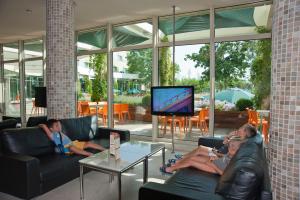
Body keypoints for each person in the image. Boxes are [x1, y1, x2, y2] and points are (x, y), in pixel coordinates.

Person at [165, 136, 245, 175]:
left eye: (234, 146)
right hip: (215, 161)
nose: (231, 147)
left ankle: (171, 168)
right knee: (193, 157)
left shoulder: (236, 160)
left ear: (240, 148)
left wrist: (212, 165)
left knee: (191, 161)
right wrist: (216, 155)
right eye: (230, 145)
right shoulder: (231, 152)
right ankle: (177, 164)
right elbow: (224, 157)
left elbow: (224, 174)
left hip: (215, 169)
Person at [177, 123, 256, 161]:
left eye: (242, 127)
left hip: (219, 156)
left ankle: (181, 159)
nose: (239, 128)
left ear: (245, 132)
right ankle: (182, 157)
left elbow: (228, 155)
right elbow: (224, 143)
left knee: (199, 151)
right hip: (218, 151)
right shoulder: (237, 137)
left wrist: (216, 153)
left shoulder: (240, 143)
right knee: (200, 148)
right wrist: (229, 135)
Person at [39, 119, 105, 156]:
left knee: (88, 143)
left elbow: (59, 123)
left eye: (58, 125)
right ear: (51, 129)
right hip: (65, 148)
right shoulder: (53, 135)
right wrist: (43, 126)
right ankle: (89, 154)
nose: (59, 127)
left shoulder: (59, 131)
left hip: (72, 143)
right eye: (56, 126)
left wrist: (57, 122)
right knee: (72, 148)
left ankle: (104, 150)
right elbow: (46, 129)